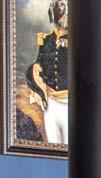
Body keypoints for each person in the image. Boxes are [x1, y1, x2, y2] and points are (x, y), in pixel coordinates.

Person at [26, 0, 68, 145]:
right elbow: (40, 62)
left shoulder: (78, 40)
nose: (62, 11)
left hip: (70, 103)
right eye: (59, 6)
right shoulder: (46, 39)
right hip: (50, 102)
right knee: (53, 145)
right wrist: (35, 68)